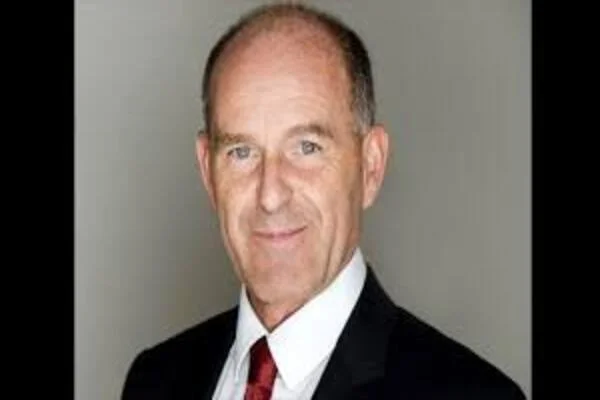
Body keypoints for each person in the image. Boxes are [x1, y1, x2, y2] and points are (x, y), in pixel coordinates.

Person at [121, 3, 526, 399]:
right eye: (241, 152)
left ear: (370, 166)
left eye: (307, 147)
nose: (271, 196)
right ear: (208, 171)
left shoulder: (474, 393)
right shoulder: (154, 380)